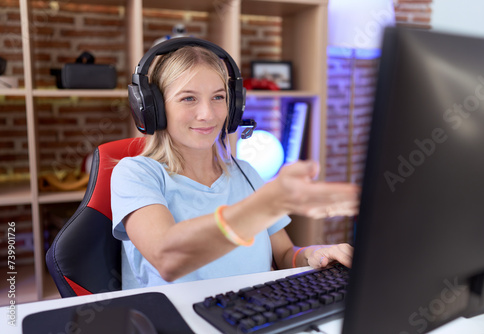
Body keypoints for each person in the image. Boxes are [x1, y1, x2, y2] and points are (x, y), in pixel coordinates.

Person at [111, 41, 360, 290]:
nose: (207, 114)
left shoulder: (246, 173)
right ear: (154, 108)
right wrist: (266, 206)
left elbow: (284, 255)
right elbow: (167, 260)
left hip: (249, 315)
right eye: (188, 98)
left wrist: (314, 255)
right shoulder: (135, 174)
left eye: (218, 97)